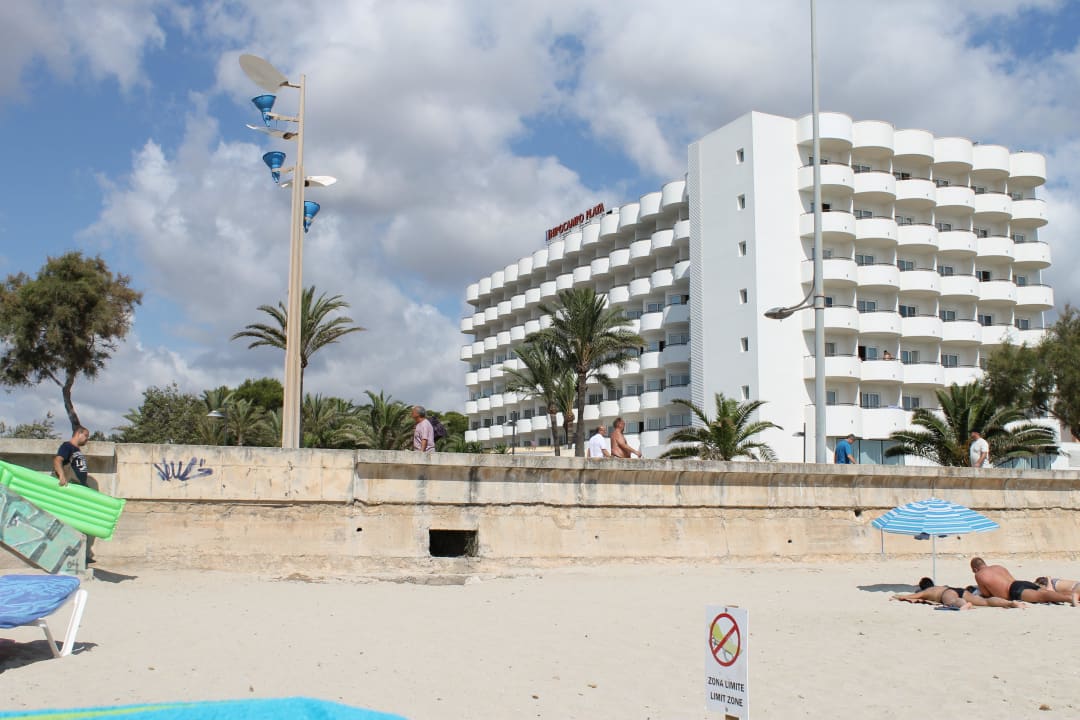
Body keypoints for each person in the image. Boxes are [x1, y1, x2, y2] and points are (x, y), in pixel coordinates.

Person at [970, 557, 1077, 605]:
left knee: (1043, 597)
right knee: (1048, 593)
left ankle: (1069, 598)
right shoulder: (998, 567)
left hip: (1014, 591)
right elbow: (1012, 580)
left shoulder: (979, 575)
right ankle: (1075, 594)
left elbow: (986, 594)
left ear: (975, 569)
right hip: (1020, 583)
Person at [892, 578, 1022, 610]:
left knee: (953, 602)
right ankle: (1010, 603)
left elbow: (909, 597)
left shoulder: (927, 591)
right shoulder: (939, 586)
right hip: (957, 589)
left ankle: (964, 605)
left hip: (946, 593)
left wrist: (897, 596)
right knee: (985, 602)